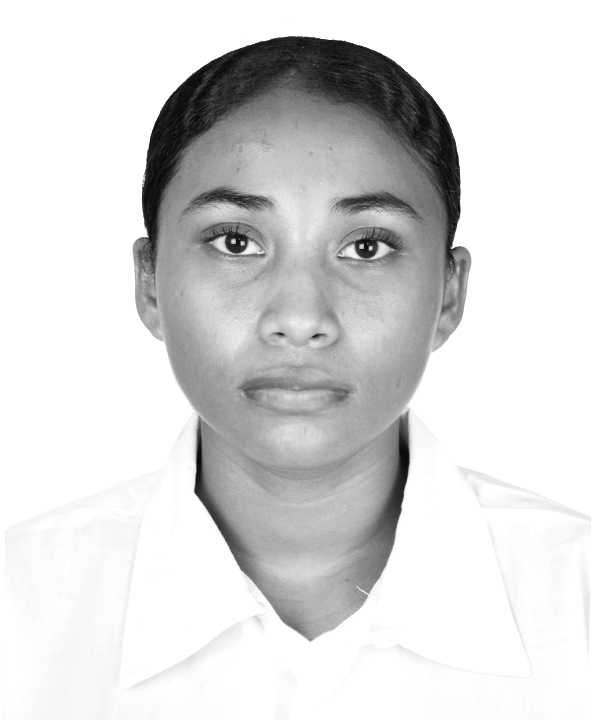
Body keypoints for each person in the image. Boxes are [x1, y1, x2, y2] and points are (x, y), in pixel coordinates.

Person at [5, 36, 589, 719]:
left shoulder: (583, 600)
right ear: (150, 282)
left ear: (449, 294)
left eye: (366, 247)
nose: (301, 319)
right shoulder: (18, 607)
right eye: (236, 242)